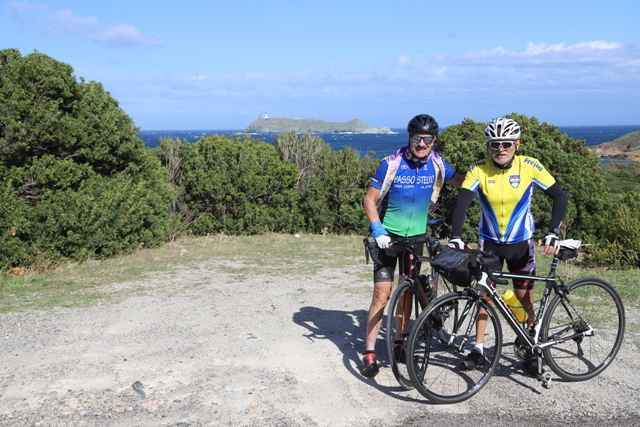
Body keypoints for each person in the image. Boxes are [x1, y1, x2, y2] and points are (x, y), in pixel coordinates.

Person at [448, 117, 568, 376]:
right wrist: (456, 236)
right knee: (484, 295)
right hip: (489, 243)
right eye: (494, 144)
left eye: (506, 143)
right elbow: (462, 204)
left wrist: (553, 232)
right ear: (488, 146)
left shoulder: (530, 166)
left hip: (521, 244)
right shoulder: (478, 170)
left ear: (516, 144)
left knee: (525, 297)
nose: (500, 149)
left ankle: (530, 345)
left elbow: (559, 196)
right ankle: (478, 349)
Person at [361, 113, 464, 377]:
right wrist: (377, 229)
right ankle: (370, 352)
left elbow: (461, 181)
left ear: (433, 141)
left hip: (416, 239)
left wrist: (487, 178)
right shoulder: (392, 164)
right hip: (388, 240)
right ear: (409, 138)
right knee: (382, 294)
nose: (421, 144)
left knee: (407, 293)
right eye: (417, 138)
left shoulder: (438, 164)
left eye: (427, 139)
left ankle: (399, 342)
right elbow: (369, 200)